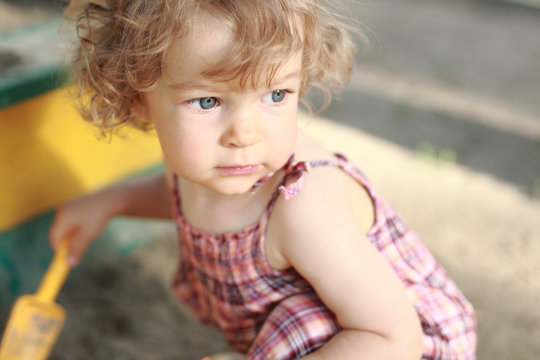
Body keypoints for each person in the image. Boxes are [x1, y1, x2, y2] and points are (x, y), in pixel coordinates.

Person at [51, 0, 477, 359]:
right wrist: (111, 202)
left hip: (395, 341)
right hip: (363, 327)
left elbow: (392, 337)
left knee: (305, 328)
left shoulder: (303, 207)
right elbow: (180, 196)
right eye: (208, 100)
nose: (245, 134)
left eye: (275, 95)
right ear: (138, 98)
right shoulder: (203, 164)